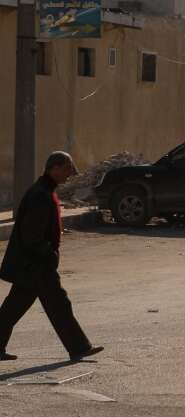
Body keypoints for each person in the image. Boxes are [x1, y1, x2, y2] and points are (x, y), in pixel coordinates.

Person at [0, 151, 102, 363]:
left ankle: (79, 347)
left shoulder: (44, 191)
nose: (69, 175)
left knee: (14, 309)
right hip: (36, 264)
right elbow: (31, 235)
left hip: (33, 264)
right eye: (66, 169)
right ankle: (79, 348)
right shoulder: (40, 195)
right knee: (58, 305)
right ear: (54, 169)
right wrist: (49, 253)